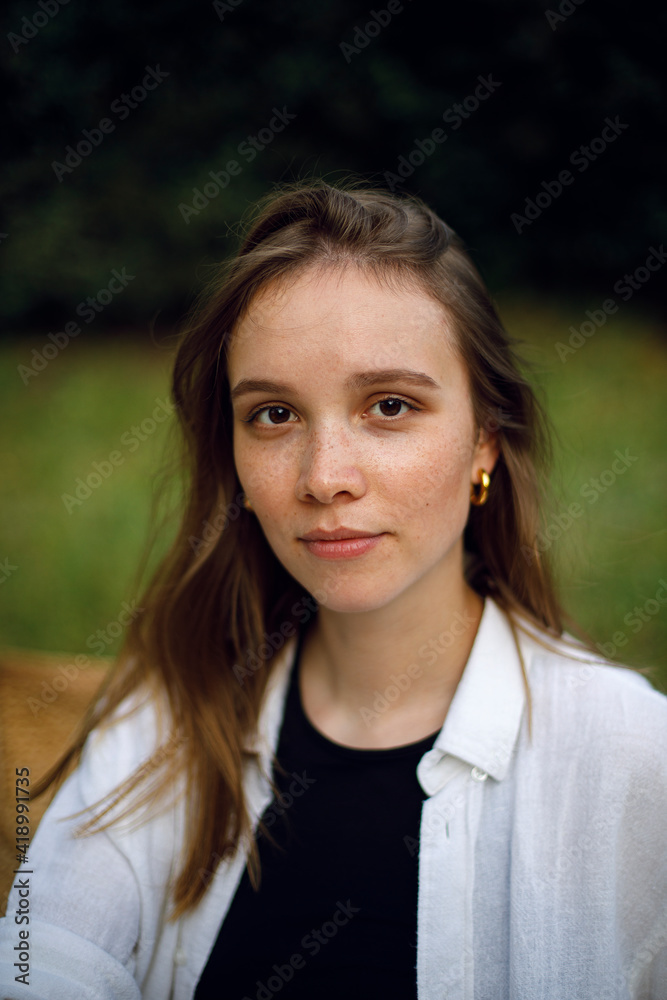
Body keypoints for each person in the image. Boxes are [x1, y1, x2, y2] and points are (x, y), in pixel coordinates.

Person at [1, 179, 665, 1000]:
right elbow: (35, 961)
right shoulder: (163, 719)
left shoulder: (630, 756)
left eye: (388, 406)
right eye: (273, 415)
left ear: (485, 442)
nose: (323, 479)